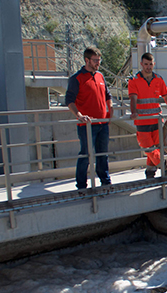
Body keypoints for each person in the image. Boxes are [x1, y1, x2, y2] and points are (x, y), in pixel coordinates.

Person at [128, 52, 167, 178]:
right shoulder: (134, 80)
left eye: (150, 64)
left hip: (157, 120)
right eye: (146, 64)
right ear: (141, 64)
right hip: (142, 121)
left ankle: (150, 172)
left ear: (154, 64)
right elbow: (133, 98)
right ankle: (165, 164)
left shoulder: (158, 79)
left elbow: (166, 96)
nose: (148, 67)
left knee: (155, 149)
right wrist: (134, 112)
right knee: (148, 149)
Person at [65, 47, 113, 189]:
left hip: (102, 123)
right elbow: (69, 100)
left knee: (102, 154)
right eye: (95, 60)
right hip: (87, 125)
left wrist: (110, 112)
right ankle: (81, 185)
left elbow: (107, 96)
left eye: (99, 60)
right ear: (87, 60)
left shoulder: (100, 76)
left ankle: (105, 181)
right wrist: (79, 116)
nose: (98, 63)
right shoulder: (76, 79)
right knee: (85, 154)